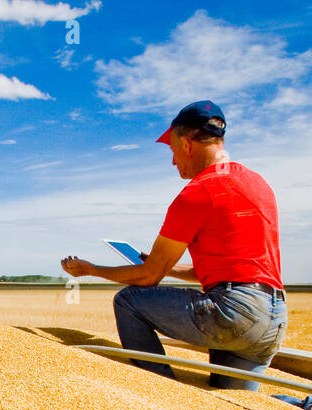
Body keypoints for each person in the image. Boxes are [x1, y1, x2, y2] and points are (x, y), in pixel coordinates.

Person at [61, 100, 286, 393]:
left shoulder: (198, 192)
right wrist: (165, 264)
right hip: (273, 318)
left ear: (186, 143)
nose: (173, 161)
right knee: (234, 405)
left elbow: (148, 278)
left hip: (234, 312)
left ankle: (165, 397)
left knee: (128, 301)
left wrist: (91, 269)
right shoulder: (258, 184)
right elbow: (225, 270)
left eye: (172, 150)